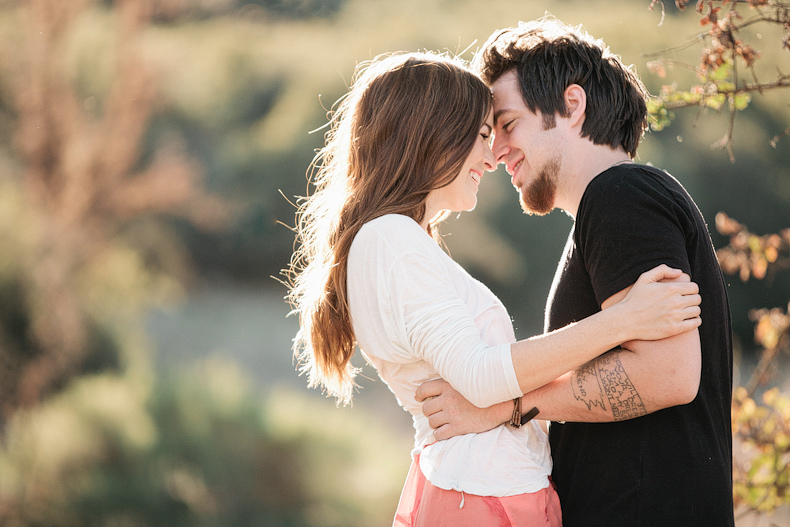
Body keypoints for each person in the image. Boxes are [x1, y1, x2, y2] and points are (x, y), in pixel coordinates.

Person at [286, 51, 703, 527]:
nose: (492, 154)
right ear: (429, 132)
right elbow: (481, 378)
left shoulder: (403, 243)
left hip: (490, 493)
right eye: (483, 134)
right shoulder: (391, 240)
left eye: (501, 130)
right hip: (481, 498)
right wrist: (624, 320)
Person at [416, 18, 735, 527]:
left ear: (571, 104)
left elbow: (670, 375)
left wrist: (501, 407)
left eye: (507, 124)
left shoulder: (622, 198)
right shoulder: (612, 208)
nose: (495, 152)